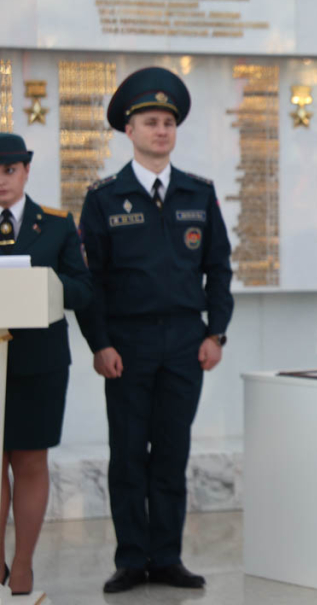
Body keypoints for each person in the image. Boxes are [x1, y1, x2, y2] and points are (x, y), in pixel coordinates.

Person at [77, 67, 234, 594]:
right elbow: (92, 281)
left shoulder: (198, 193)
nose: (161, 130)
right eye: (150, 122)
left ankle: (166, 557)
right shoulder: (104, 198)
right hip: (128, 345)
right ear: (129, 130)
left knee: (171, 453)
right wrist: (100, 343)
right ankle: (130, 559)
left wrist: (216, 333)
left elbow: (219, 269)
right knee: (127, 454)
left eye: (168, 122)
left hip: (186, 343)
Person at [0, 133, 92, 596]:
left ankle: (23, 566)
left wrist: (44, 281)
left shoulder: (55, 225)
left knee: (30, 461)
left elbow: (82, 290)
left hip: (39, 363)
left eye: (9, 170)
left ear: (26, 171)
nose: (2, 180)